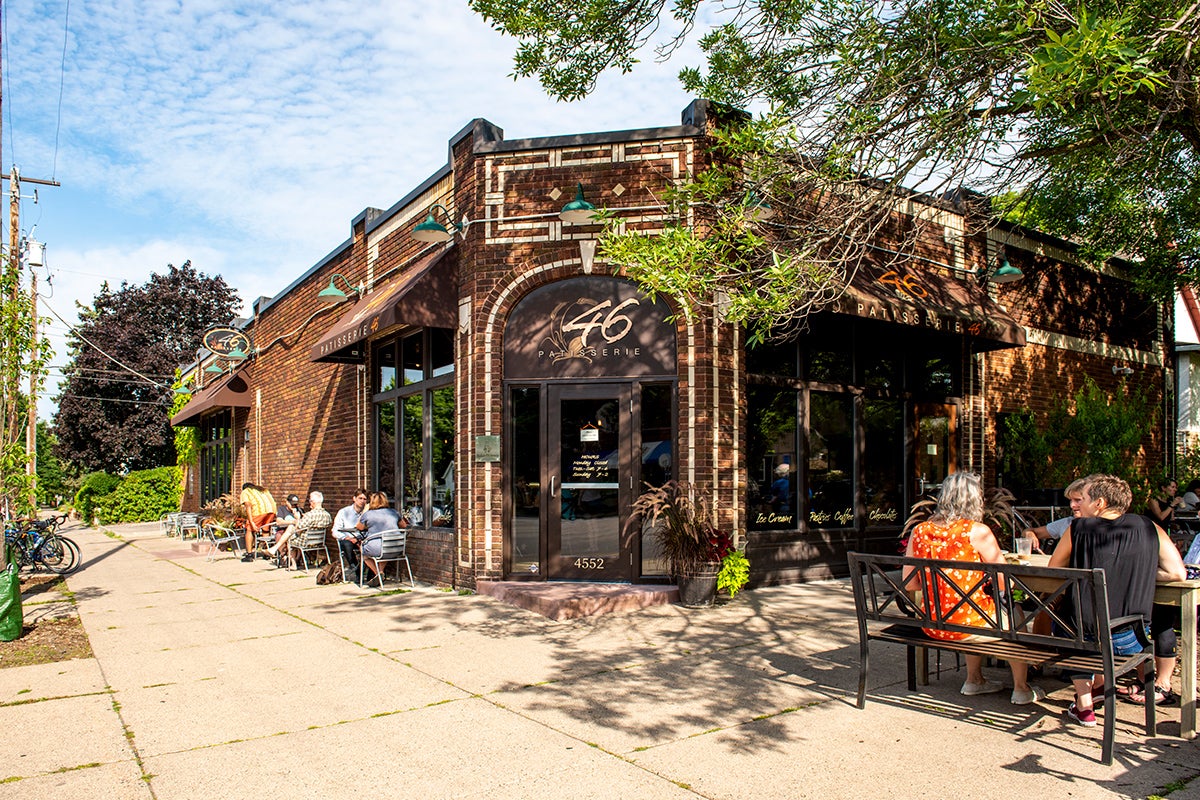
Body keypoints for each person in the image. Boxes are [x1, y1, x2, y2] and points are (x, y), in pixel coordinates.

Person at [1048, 474, 1187, 725]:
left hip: (1085, 639)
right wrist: (1135, 569)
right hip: (1132, 640)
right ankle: (1099, 690)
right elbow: (1177, 573)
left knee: (1067, 622)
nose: (1076, 506)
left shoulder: (1077, 529)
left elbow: (1055, 571)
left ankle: (1085, 705)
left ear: (1099, 503)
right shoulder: (1149, 527)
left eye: (1084, 499)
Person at [903, 471, 1043, 705]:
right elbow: (1003, 582)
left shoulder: (920, 530)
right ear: (974, 500)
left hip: (933, 624)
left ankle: (974, 679)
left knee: (973, 607)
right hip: (969, 626)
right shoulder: (977, 531)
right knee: (1014, 614)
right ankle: (1021, 688)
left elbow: (911, 583)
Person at [1021, 477, 1088, 553]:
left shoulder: (1102, 527)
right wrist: (1029, 534)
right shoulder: (1066, 523)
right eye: (1070, 500)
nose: (1072, 505)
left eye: (1078, 500)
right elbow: (1027, 531)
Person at [267, 491, 332, 565]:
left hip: (305, 542)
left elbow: (299, 527)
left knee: (290, 534)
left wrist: (297, 518)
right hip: (319, 541)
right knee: (290, 530)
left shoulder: (310, 515)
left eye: (310, 501)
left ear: (313, 502)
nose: (309, 503)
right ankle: (280, 553)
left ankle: (293, 563)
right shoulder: (327, 515)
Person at [354, 491, 405, 584]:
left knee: (363, 550)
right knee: (383, 550)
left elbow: (359, 527)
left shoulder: (368, 514)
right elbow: (404, 525)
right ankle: (380, 574)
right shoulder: (394, 512)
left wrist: (365, 511)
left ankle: (379, 572)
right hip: (396, 548)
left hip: (378, 548)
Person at [332, 488, 369, 578]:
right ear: (354, 498)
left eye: (364, 499)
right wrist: (347, 537)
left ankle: (370, 572)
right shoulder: (344, 512)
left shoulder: (368, 513)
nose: (362, 501)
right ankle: (356, 570)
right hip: (347, 539)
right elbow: (335, 530)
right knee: (347, 544)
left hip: (362, 539)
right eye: (360, 498)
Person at [239, 482, 276, 562]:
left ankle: (249, 554)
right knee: (265, 530)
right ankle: (266, 552)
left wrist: (251, 522)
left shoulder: (246, 491)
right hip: (271, 511)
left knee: (249, 529)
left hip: (258, 511)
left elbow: (248, 505)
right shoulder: (263, 490)